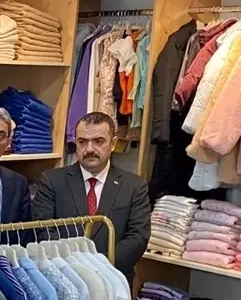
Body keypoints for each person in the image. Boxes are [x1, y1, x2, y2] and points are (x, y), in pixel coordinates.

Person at [31, 111, 151, 279]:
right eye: (82, 142)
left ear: (113, 144)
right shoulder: (52, 181)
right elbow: (43, 230)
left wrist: (99, 267)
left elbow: (138, 238)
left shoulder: (134, 186)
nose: (89, 149)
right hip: (64, 277)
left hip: (114, 278)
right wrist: (75, 267)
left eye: (98, 141)